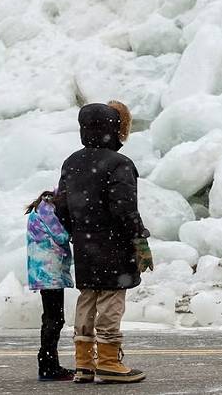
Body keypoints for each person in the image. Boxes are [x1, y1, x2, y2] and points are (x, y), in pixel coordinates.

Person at [54, 101, 148, 384]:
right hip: (114, 245)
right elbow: (124, 209)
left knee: (88, 298)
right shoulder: (119, 164)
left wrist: (79, 232)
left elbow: (61, 207)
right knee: (110, 298)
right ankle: (108, 361)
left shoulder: (71, 162)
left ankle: (84, 363)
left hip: (84, 245)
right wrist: (140, 241)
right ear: (114, 129)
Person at [25, 190, 74, 382]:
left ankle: (48, 363)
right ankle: (48, 366)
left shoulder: (40, 209)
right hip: (48, 270)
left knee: (52, 318)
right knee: (54, 319)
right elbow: (61, 236)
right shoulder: (48, 212)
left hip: (43, 270)